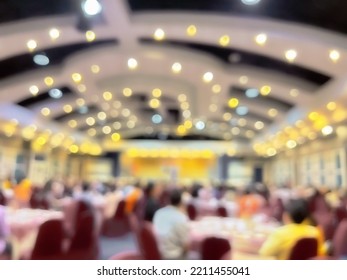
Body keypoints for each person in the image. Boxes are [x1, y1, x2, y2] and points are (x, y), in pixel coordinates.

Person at [259, 199, 326, 260]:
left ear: (287, 216)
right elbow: (322, 252)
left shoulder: (281, 233)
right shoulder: (315, 232)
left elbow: (264, 253)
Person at [153, 189, 190, 260]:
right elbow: (186, 246)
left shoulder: (158, 212)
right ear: (181, 202)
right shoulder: (181, 217)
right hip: (173, 256)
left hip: (157, 253)